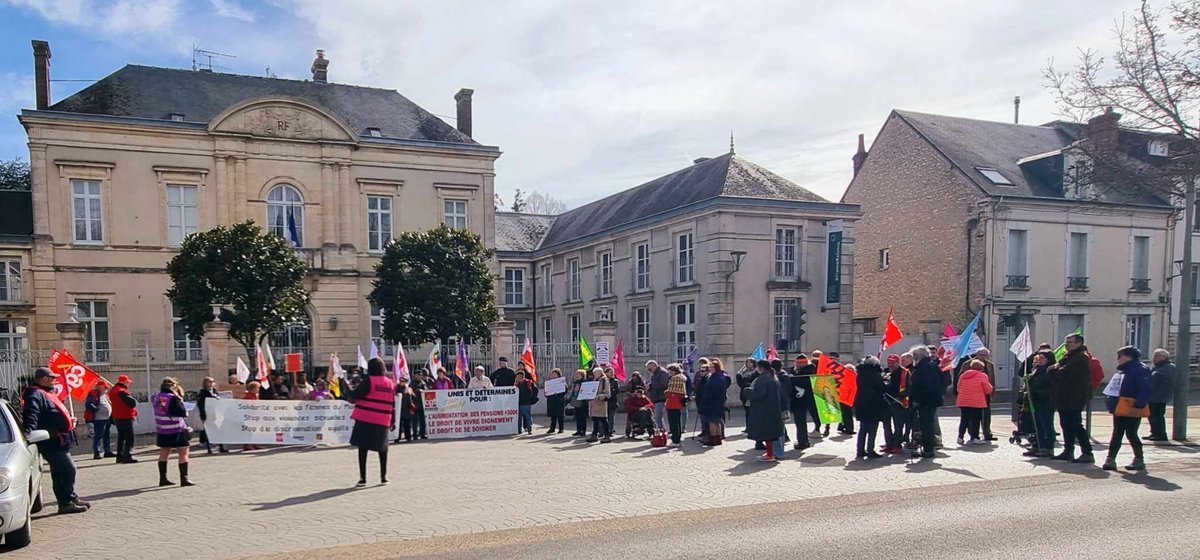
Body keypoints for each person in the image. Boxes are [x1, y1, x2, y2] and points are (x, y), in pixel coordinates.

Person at [23, 367, 89, 514]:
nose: (54, 381)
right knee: (68, 469)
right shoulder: (35, 394)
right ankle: (65, 503)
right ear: (44, 379)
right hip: (51, 441)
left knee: (60, 472)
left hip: (59, 439)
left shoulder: (45, 392)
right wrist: (29, 432)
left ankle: (70, 498)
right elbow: (31, 415)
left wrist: (68, 421)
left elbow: (54, 413)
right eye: (52, 378)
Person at [1101, 346, 1152, 471]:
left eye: (1120, 356)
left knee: (1131, 433)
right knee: (1117, 433)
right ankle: (1111, 459)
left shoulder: (1140, 370)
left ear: (1129, 356)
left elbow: (1146, 389)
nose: (1118, 359)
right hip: (1120, 406)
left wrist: (1138, 406)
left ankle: (1139, 459)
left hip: (1131, 405)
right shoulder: (1123, 371)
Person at [349, 358, 396, 487]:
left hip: (366, 418)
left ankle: (363, 478)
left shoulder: (369, 381)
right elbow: (393, 404)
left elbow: (355, 395)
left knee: (363, 448)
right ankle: (384, 476)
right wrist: (393, 420)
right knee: (383, 450)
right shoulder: (390, 383)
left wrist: (345, 384)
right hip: (383, 419)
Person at [1049, 333, 1095, 463]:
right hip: (1064, 396)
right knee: (1065, 425)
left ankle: (1087, 452)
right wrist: (1055, 369)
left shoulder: (1081, 358)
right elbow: (1054, 370)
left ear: (1078, 343)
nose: (1066, 344)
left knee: (1075, 425)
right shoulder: (1067, 356)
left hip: (1074, 397)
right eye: (1066, 341)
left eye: (1070, 342)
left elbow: (1064, 373)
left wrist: (1056, 370)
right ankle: (1068, 450)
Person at [152, 377, 195, 487]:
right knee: (183, 453)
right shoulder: (173, 398)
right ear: (173, 386)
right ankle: (184, 479)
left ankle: (163, 478)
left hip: (162, 429)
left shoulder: (156, 397)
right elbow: (181, 412)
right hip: (177, 429)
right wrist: (183, 406)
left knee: (164, 453)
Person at [908, 346, 946, 458]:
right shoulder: (929, 365)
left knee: (926, 425)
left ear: (918, 356)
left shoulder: (926, 367)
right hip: (928, 400)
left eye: (914, 356)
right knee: (926, 424)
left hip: (926, 401)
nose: (913, 359)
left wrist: (918, 400)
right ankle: (928, 447)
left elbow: (925, 386)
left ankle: (928, 449)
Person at [747, 360, 787, 462]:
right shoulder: (773, 377)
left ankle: (770, 454)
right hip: (772, 408)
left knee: (767, 433)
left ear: (760, 367)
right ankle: (770, 452)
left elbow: (759, 394)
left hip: (764, 409)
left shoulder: (763, 378)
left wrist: (747, 392)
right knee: (770, 433)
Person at [1023, 350, 1057, 458]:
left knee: (1046, 425)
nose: (1040, 360)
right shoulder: (1037, 370)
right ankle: (1038, 445)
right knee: (1037, 425)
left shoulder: (1051, 370)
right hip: (1035, 401)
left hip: (1045, 401)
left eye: (1042, 358)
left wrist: (1039, 392)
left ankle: (1048, 447)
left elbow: (1051, 387)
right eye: (1039, 358)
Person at [854, 357, 888, 459]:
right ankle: (870, 450)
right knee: (872, 428)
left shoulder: (860, 374)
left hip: (861, 403)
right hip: (873, 404)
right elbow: (882, 388)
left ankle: (860, 450)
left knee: (863, 428)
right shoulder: (875, 375)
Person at [955, 359, 994, 446]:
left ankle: (960, 437)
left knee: (964, 419)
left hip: (964, 400)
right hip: (977, 401)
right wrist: (991, 389)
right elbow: (987, 389)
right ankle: (975, 437)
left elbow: (958, 387)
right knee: (976, 420)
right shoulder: (982, 376)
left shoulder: (963, 375)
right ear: (981, 368)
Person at [698, 358, 730, 446]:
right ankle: (717, 438)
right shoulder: (719, 377)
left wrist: (706, 400)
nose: (710, 369)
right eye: (710, 367)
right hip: (718, 403)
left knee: (713, 422)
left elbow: (712, 392)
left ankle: (714, 438)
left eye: (712, 367)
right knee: (716, 422)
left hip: (712, 403)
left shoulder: (716, 378)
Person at [108, 374, 139, 464]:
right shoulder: (121, 391)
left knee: (121, 437)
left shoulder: (113, 390)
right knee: (129, 437)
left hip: (117, 417)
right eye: (127, 382)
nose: (128, 384)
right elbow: (132, 403)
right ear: (123, 382)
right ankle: (127, 455)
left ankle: (120, 456)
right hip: (125, 416)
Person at [882, 354, 909, 454]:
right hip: (885, 402)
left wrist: (900, 397)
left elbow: (909, 387)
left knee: (898, 425)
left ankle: (897, 445)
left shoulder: (905, 372)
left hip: (898, 402)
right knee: (886, 425)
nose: (891, 365)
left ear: (898, 363)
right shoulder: (885, 372)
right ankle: (888, 444)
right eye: (889, 363)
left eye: (893, 363)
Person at [1146, 349, 1176, 441]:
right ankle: (1154, 432)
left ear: (1164, 357)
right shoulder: (1156, 366)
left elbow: (1156, 378)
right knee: (1151, 415)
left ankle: (1161, 434)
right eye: (1154, 356)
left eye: (1156, 356)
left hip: (1160, 396)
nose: (1154, 358)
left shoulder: (1168, 367)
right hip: (1153, 396)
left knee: (1157, 416)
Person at [195, 377, 227, 454]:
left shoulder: (215, 391)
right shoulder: (202, 393)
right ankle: (209, 448)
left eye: (213, 381)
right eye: (210, 381)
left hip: (216, 413)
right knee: (208, 431)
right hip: (207, 414)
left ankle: (221, 447)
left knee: (218, 430)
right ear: (205, 383)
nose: (212, 383)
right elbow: (200, 405)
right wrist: (203, 415)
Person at [84, 380, 114, 460]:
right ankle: (97, 452)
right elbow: (88, 404)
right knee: (98, 435)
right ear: (100, 387)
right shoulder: (93, 394)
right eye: (105, 387)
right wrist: (96, 409)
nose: (106, 389)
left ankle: (107, 451)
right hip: (99, 419)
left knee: (107, 435)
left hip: (107, 418)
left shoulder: (105, 395)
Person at [664, 363, 688, 445]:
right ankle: (677, 438)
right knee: (677, 422)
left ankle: (675, 440)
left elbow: (670, 392)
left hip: (673, 403)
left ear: (674, 371)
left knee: (673, 423)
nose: (669, 373)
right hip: (678, 403)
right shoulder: (682, 377)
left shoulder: (675, 378)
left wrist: (666, 392)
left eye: (670, 371)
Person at [587, 367, 612, 443]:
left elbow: (607, 393)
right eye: (594, 373)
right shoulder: (595, 380)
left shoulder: (604, 380)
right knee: (595, 420)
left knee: (603, 420)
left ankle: (607, 435)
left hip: (600, 403)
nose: (594, 374)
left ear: (600, 373)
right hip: (594, 403)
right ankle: (594, 435)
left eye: (596, 373)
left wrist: (599, 396)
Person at [647, 361, 670, 432]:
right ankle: (662, 431)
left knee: (658, 417)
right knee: (658, 417)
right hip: (656, 397)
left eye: (650, 369)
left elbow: (664, 384)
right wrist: (649, 386)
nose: (650, 371)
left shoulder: (662, 373)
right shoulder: (656, 373)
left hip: (661, 397)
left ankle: (660, 432)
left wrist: (652, 385)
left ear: (654, 366)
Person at [736, 357, 757, 431]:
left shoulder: (755, 372)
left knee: (752, 412)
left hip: (751, 394)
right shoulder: (744, 372)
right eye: (747, 362)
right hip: (744, 394)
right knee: (747, 412)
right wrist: (738, 376)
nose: (748, 364)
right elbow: (741, 384)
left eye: (750, 362)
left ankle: (753, 426)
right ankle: (748, 427)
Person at [395, 377, 417, 443]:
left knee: (407, 424)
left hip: (407, 409)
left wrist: (411, 393)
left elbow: (414, 397)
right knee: (398, 425)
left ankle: (408, 437)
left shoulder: (408, 389)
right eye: (401, 381)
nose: (402, 382)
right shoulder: (396, 388)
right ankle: (397, 437)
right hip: (399, 410)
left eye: (403, 381)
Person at [242, 381, 262, 451]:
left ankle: (254, 443)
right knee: (249, 430)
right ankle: (247, 444)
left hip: (255, 415)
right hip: (249, 415)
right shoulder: (248, 395)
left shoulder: (255, 395)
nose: (258, 389)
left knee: (255, 429)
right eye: (257, 388)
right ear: (253, 388)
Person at [545, 368, 566, 434]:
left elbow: (565, 390)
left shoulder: (561, 382)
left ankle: (561, 428)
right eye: (552, 374)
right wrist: (546, 393)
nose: (553, 376)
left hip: (559, 400)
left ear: (558, 375)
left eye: (554, 374)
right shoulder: (549, 382)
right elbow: (546, 390)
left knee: (560, 416)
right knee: (553, 416)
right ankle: (552, 428)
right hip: (552, 400)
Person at [569, 369, 589, 437]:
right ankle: (578, 430)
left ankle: (583, 431)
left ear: (582, 375)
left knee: (582, 417)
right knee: (577, 416)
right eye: (576, 374)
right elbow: (574, 391)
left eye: (578, 374)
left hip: (583, 401)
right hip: (576, 400)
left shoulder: (585, 382)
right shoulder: (576, 382)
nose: (577, 375)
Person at [410, 371, 429, 439]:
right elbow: (410, 392)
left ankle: (422, 434)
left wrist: (424, 390)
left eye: (420, 375)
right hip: (415, 404)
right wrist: (417, 391)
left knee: (422, 421)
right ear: (415, 375)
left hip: (422, 404)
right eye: (417, 375)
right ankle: (415, 435)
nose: (419, 376)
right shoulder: (412, 383)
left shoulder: (423, 383)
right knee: (415, 421)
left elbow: (427, 391)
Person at [605, 366, 622, 438]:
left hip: (612, 402)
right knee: (603, 418)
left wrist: (610, 390)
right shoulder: (603, 380)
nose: (612, 374)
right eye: (610, 372)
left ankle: (610, 430)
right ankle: (602, 431)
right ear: (606, 373)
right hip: (604, 401)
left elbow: (617, 391)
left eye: (613, 372)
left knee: (611, 418)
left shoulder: (615, 381)